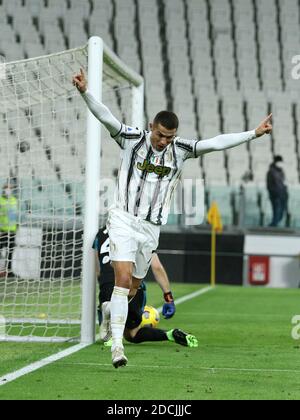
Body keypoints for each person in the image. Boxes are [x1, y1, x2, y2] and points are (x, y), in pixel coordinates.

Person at [73, 68, 273, 368]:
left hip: (151, 229)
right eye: (160, 135)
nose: (164, 141)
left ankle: (114, 322)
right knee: (122, 278)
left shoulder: (180, 151)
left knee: (134, 287)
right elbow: (106, 117)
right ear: (151, 126)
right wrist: (86, 92)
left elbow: (215, 142)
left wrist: (252, 134)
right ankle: (116, 344)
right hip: (124, 219)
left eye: (169, 137)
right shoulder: (131, 139)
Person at [93, 227, 197, 351]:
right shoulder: (139, 232)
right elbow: (156, 267)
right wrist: (168, 296)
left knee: (108, 332)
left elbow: (98, 270)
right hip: (131, 287)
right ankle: (169, 334)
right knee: (132, 334)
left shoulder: (99, 234)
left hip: (107, 288)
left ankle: (108, 310)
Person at [0, 183, 18, 278]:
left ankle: (9, 271)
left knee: (10, 252)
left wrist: (17, 227)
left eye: (10, 188)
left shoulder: (14, 200)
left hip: (12, 231)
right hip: (2, 231)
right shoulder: (0, 200)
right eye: (6, 188)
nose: (8, 190)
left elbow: (15, 216)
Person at [267, 156, 288, 227]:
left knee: (281, 212)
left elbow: (283, 182)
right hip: (275, 195)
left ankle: (274, 224)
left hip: (282, 194)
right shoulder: (271, 172)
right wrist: (274, 193)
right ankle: (274, 224)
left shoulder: (281, 171)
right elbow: (269, 185)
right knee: (276, 210)